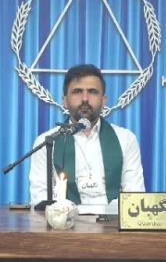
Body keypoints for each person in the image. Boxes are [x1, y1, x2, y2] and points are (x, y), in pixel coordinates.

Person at [29, 64, 145, 206]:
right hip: (65, 220)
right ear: (64, 101)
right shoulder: (47, 142)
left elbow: (135, 196)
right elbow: (39, 200)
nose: (85, 98)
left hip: (113, 219)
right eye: (77, 91)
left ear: (104, 100)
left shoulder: (125, 139)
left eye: (92, 92)